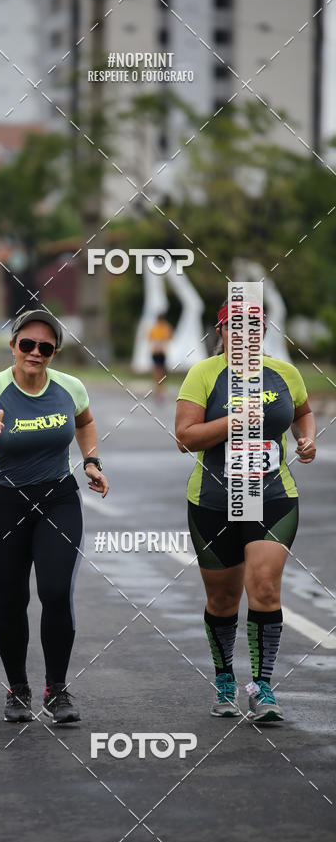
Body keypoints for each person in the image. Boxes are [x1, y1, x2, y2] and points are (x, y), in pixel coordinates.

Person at [0, 309, 109, 724]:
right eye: (27, 345)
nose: (35, 353)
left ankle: (56, 690)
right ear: (13, 346)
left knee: (56, 592)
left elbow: (86, 423)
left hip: (58, 500)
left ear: (54, 352)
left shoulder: (70, 388)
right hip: (4, 504)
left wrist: (91, 462)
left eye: (45, 347)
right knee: (11, 599)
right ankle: (17, 689)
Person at [175, 300, 316, 722]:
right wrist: (234, 421)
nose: (245, 333)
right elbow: (185, 437)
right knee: (222, 600)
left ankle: (263, 687)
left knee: (265, 586)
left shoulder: (285, 373)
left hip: (272, 496)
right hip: (214, 501)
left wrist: (307, 440)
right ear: (220, 332)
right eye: (234, 326)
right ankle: (224, 679)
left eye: (253, 326)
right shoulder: (204, 373)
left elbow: (304, 413)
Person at [148, 313, 173, 401]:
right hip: (156, 352)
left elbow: (169, 337)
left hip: (161, 352)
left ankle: (159, 389)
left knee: (161, 372)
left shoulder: (164, 327)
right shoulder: (158, 328)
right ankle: (158, 390)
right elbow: (150, 338)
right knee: (158, 371)